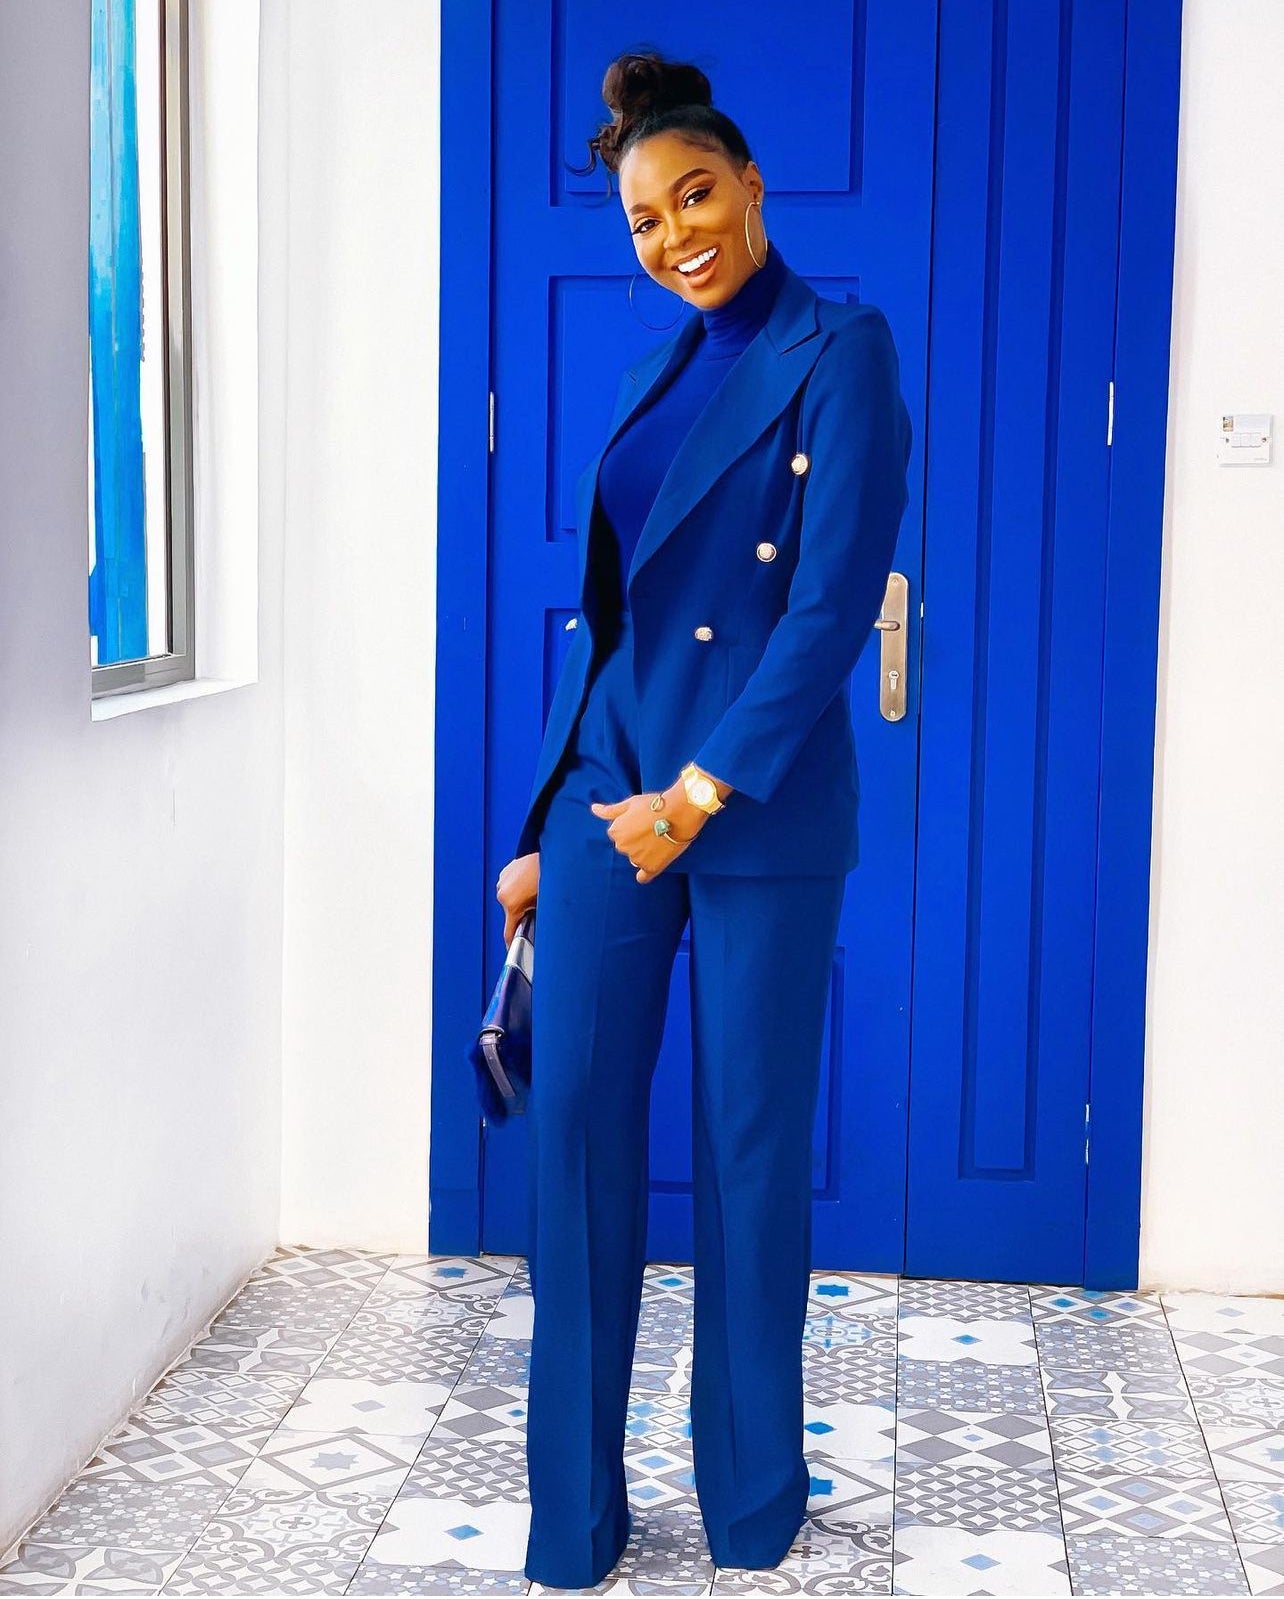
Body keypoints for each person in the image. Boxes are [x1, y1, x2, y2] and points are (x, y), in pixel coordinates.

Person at [493, 49, 913, 1590]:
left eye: (697, 196)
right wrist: (553, 817)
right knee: (578, 1162)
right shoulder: (648, 375)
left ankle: (751, 1506)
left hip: (750, 817)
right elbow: (604, 625)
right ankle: (574, 1526)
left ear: (750, 187)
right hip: (612, 807)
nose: (678, 234)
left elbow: (823, 608)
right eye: (647, 217)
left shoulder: (840, 349)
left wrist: (700, 792)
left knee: (746, 1159)